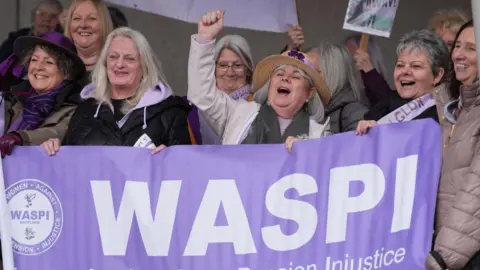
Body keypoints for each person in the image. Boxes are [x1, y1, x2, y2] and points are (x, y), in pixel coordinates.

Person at [188, 10, 331, 151]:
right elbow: (202, 94)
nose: (285, 78)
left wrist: (309, 153)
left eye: (295, 76)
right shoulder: (237, 113)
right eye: (279, 73)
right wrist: (204, 39)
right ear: (270, 85)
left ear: (309, 93)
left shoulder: (320, 136)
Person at [41, 27, 191, 155]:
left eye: (129, 59)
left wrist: (171, 160)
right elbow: (69, 170)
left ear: (144, 66)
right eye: (113, 57)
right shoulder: (85, 109)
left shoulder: (170, 112)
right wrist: (56, 149)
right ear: (105, 63)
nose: (119, 64)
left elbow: (186, 172)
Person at [427, 20, 480, 270]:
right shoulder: (443, 105)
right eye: (458, 46)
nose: (458, 53)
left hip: (462, 257)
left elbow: (476, 190)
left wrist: (443, 254)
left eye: (471, 48)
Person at [0, 32, 86, 157]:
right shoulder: (12, 102)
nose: (38, 67)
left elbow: (57, 132)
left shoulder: (76, 107)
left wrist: (20, 137)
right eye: (34, 60)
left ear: (66, 72)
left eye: (49, 62)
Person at [356, 29, 450, 135]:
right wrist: (367, 131)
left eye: (416, 66)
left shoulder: (448, 112)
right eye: (400, 65)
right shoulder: (385, 104)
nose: (405, 71)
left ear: (437, 75)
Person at [186, 34, 254, 145]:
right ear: (214, 68)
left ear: (247, 69)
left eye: (237, 65)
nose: (230, 72)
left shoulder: (260, 103)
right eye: (223, 65)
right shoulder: (190, 108)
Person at [308, 42, 368, 133]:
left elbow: (359, 145)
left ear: (332, 74)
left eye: (312, 72)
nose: (305, 77)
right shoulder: (311, 107)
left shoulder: (354, 112)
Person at [64, 0, 114, 84]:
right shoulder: (58, 65)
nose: (83, 25)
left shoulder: (115, 68)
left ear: (104, 23)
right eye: (77, 18)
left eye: (91, 18)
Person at [344, 33, 392, 106]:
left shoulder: (379, 92)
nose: (347, 67)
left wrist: (369, 73)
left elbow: (388, 105)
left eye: (353, 61)